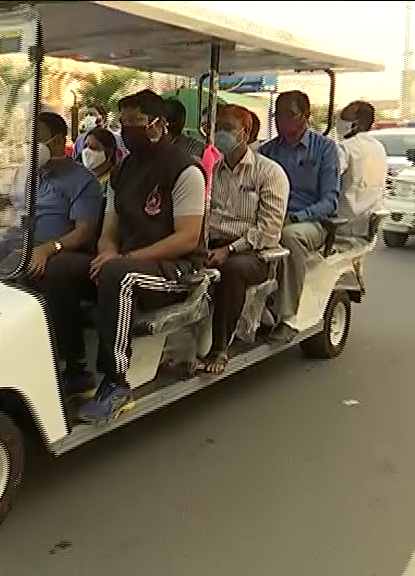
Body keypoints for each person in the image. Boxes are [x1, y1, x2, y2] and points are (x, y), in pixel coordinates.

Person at [41, 89, 207, 423]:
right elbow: (109, 231)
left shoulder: (185, 170)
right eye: (124, 122)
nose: (129, 130)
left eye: (137, 122)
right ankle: (75, 367)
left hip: (175, 271)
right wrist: (108, 252)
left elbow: (187, 238)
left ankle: (116, 382)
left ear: (158, 124)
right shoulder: (124, 170)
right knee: (60, 269)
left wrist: (125, 259)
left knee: (120, 275)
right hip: (130, 261)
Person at [0, 111, 103, 277]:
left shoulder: (83, 181)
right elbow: (9, 205)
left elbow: (84, 232)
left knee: (10, 266)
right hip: (12, 242)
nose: (30, 147)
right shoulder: (25, 172)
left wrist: (48, 249)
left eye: (37, 140)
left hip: (46, 247)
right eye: (28, 141)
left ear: (59, 141)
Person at [200, 105, 289, 373]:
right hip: (211, 242)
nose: (218, 135)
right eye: (215, 128)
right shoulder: (211, 170)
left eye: (226, 129)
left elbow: (269, 229)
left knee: (232, 270)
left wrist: (230, 249)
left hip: (252, 253)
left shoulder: (269, 173)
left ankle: (220, 347)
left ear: (245, 132)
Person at [259, 90, 341, 342]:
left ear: (305, 116)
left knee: (288, 237)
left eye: (290, 114)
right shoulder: (268, 151)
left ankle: (287, 317)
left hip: (309, 221)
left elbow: (330, 200)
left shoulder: (325, 149)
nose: (282, 120)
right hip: (272, 216)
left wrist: (296, 217)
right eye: (278, 115)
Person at [335, 101, 387, 237]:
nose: (339, 121)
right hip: (368, 223)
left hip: (344, 223)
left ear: (355, 123)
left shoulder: (345, 148)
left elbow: (328, 178)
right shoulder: (378, 147)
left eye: (344, 118)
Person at [81, 126, 118, 195]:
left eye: (93, 148)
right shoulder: (83, 180)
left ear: (109, 152)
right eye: (85, 146)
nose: (86, 152)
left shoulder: (115, 181)